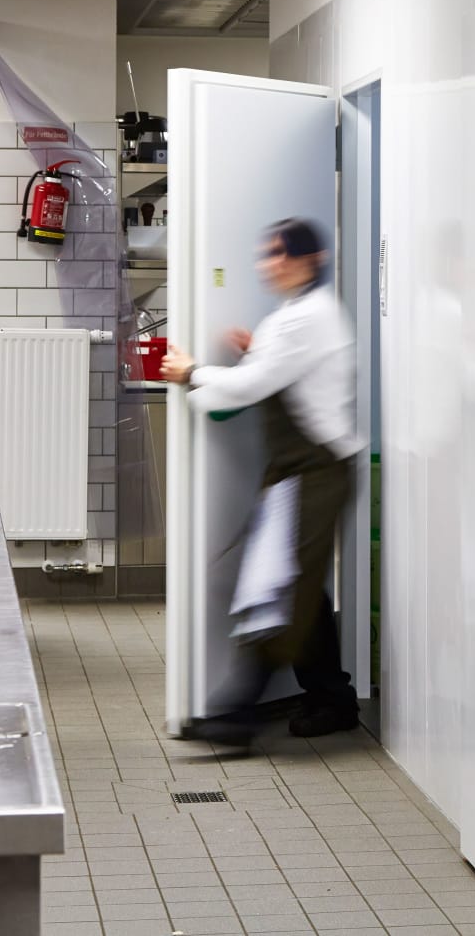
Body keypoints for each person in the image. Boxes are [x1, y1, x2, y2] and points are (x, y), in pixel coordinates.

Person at [161, 218, 362, 746]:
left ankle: (239, 715)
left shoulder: (309, 317)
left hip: (318, 471)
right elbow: (274, 373)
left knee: (280, 587)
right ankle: (334, 699)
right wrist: (253, 359)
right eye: (268, 253)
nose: (270, 263)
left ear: (312, 259)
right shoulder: (292, 317)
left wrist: (193, 373)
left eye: (282, 253)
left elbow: (253, 384)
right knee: (297, 586)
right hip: (296, 469)